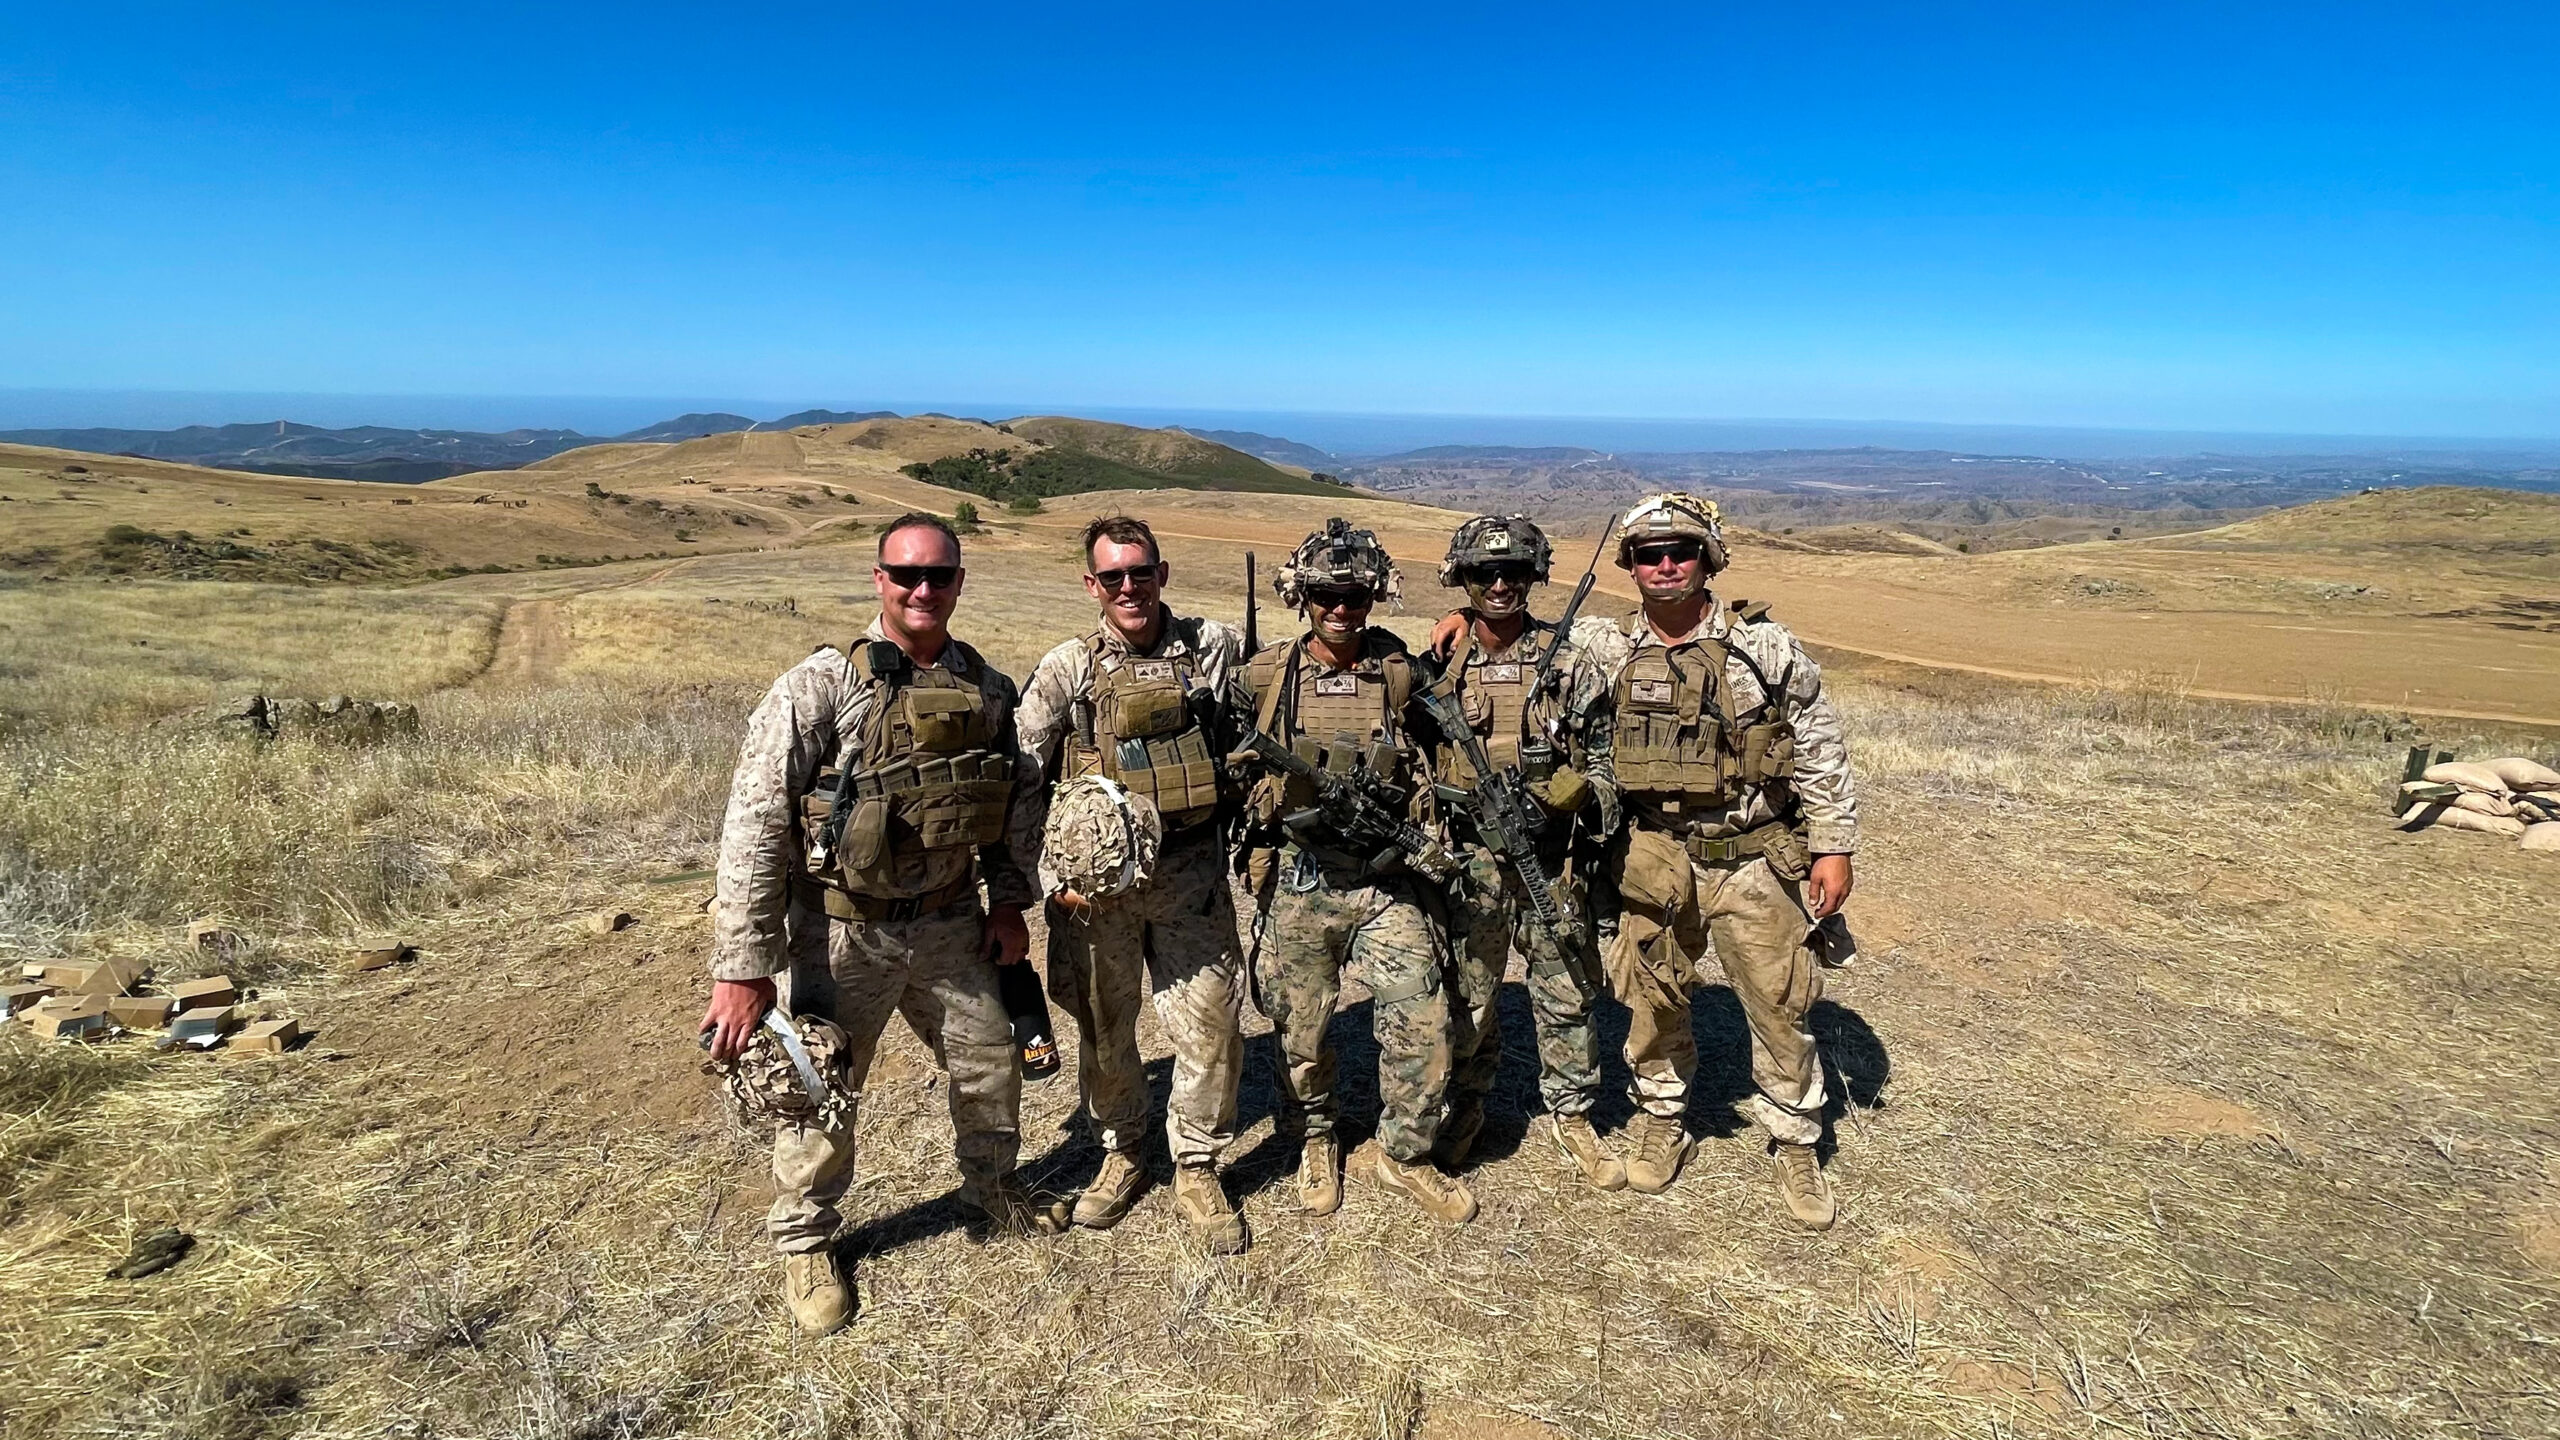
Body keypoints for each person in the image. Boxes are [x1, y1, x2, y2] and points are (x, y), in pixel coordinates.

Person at [700, 511, 1065, 1338]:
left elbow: (1017, 812)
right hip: (838, 932)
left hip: (950, 925)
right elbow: (755, 822)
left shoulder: (989, 691)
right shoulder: (820, 686)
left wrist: (1009, 904)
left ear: (960, 583)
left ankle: (992, 1189)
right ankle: (805, 1243)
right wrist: (743, 964)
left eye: (939, 575)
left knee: (991, 1068)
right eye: (905, 574)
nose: (922, 589)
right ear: (879, 579)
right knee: (821, 1092)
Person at [1568, 493, 1860, 1225]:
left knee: (1779, 1004)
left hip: (1755, 859)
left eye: (1681, 551)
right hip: (1651, 854)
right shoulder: (1602, 649)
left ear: (1709, 559)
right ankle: (1664, 1119)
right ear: (1629, 565)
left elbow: (1818, 742)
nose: (1665, 565)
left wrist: (1833, 844)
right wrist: (1462, 624)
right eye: (1647, 554)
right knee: (1652, 999)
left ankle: (1795, 1140)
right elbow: (1518, 659)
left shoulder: (1765, 649)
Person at [1012, 515, 1253, 1254]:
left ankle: (1198, 1162)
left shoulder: (1214, 650)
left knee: (1210, 1025)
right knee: (1105, 1029)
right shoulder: (1067, 668)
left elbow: (1273, 710)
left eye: (1140, 572)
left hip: (1189, 880)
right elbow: (1022, 778)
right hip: (1096, 897)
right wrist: (1051, 880)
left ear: (1162, 574)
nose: (1128, 587)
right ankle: (1121, 1151)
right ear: (1092, 584)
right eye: (1112, 576)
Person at [1235, 519, 1477, 1224]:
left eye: (1356, 596)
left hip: (1384, 882)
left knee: (1423, 1020)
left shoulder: (1399, 670)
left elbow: (1473, 682)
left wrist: (1463, 612)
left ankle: (1404, 1153)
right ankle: (1315, 1138)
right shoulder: (1265, 675)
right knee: (1300, 1031)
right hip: (1302, 879)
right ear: (1301, 597)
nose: (1340, 609)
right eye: (1325, 596)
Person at [1417, 514, 1626, 1191]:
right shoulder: (1437, 665)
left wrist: (1580, 794)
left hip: (1551, 860)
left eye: (1513, 572)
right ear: (1463, 579)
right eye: (1483, 573)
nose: (1500, 584)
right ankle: (1468, 1104)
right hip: (1472, 862)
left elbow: (1609, 765)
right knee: (1468, 995)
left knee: (1567, 992)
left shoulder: (1571, 663)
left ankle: (1573, 1117)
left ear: (1536, 577)